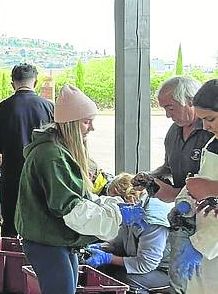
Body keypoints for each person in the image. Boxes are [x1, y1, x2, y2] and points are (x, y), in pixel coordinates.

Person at [16, 85, 146, 294]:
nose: (91, 128)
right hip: (48, 242)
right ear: (70, 124)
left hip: (55, 240)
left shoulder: (58, 150)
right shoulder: (52, 156)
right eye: (86, 122)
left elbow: (81, 197)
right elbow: (70, 208)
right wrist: (116, 214)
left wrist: (112, 205)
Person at [141, 76, 212, 294]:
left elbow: (206, 182)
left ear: (190, 101)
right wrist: (148, 177)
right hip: (182, 216)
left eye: (171, 108)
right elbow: (168, 167)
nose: (167, 115)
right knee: (179, 276)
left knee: (202, 279)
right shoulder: (173, 132)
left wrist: (175, 193)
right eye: (164, 108)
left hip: (207, 216)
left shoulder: (210, 132)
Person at [0, 63, 54, 236]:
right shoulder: (48, 107)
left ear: (12, 84)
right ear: (36, 82)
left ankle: (11, 260)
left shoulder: (1, 108)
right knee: (41, 224)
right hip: (43, 175)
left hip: (12, 175)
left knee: (10, 224)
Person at [168, 79, 218, 294]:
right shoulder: (212, 143)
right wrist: (185, 201)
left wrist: (202, 245)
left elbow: (209, 188)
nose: (206, 126)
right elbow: (199, 181)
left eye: (211, 119)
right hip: (205, 244)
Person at [85, 173, 172, 294]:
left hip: (168, 272)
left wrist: (107, 258)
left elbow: (146, 264)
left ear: (125, 199)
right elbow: (120, 242)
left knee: (126, 279)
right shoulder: (130, 211)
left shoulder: (151, 220)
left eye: (112, 202)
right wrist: (102, 247)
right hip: (150, 265)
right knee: (109, 270)